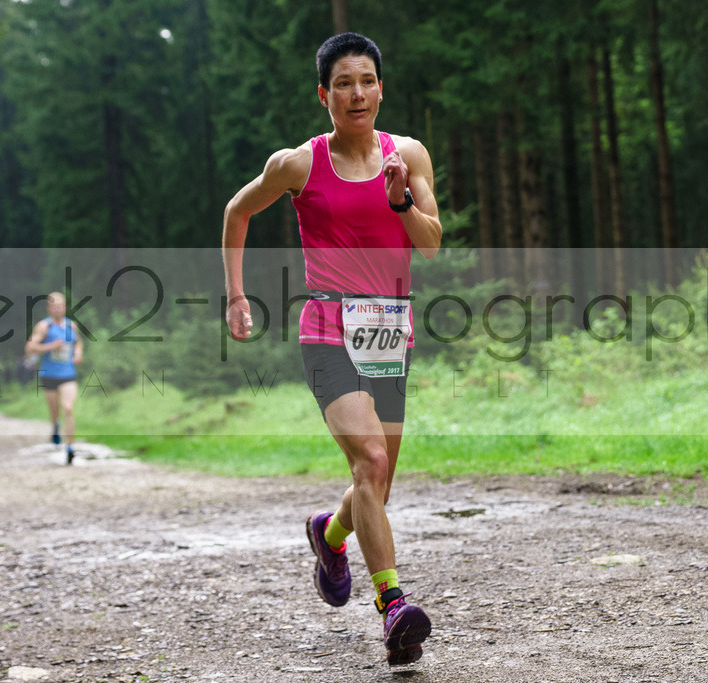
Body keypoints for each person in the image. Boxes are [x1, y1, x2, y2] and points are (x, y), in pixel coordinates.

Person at [222, 32, 442, 666]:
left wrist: (399, 196)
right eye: (343, 83)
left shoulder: (409, 154)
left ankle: (329, 531)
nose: (357, 94)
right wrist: (236, 296)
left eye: (367, 81)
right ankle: (394, 607)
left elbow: (429, 244)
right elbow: (238, 212)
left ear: (381, 89)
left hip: (389, 332)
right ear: (324, 95)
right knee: (371, 460)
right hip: (327, 328)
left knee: (376, 479)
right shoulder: (299, 164)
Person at [25, 292, 83, 465]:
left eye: (61, 305)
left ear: (65, 307)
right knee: (55, 411)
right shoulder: (44, 327)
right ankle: (55, 425)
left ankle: (70, 447)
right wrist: (50, 346)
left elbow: (78, 343)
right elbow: (30, 348)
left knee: (68, 408)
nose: (58, 308)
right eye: (55, 306)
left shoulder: (71, 326)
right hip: (49, 374)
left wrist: (78, 353)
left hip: (68, 374)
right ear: (49, 308)